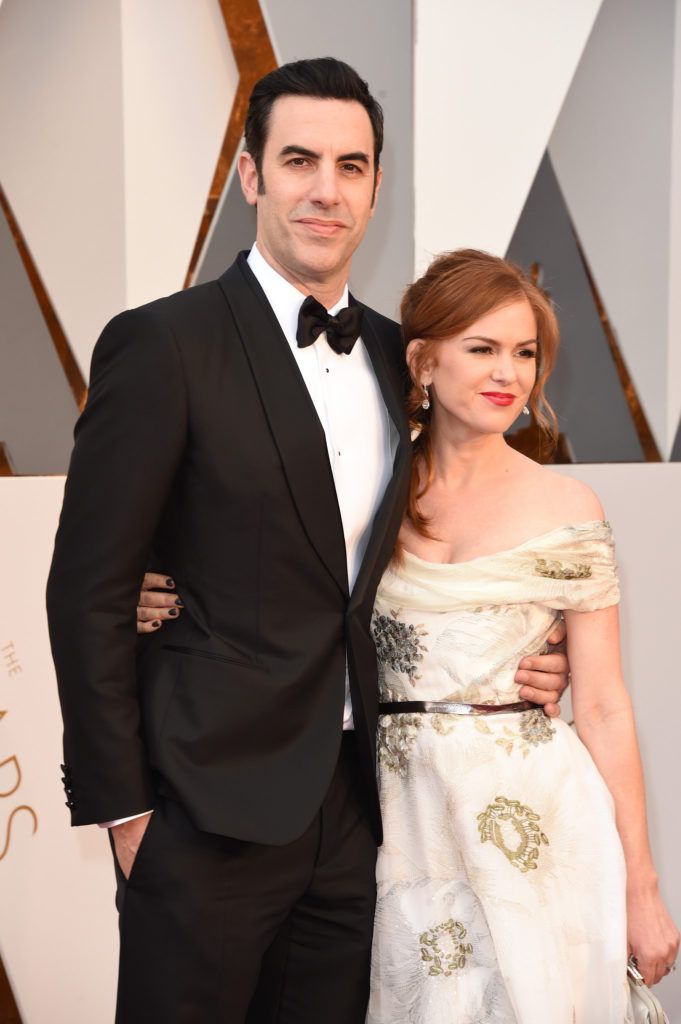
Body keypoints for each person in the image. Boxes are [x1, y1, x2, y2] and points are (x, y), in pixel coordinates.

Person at [46, 60, 568, 1023]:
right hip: (200, 807)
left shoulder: (399, 353)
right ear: (250, 175)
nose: (325, 189)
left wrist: (532, 643)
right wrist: (125, 811)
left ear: (375, 186)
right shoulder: (162, 344)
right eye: (298, 161)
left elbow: (452, 528)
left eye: (351, 165)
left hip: (365, 809)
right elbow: (85, 588)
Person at [363, 249, 679, 1023]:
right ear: (422, 361)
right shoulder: (364, 493)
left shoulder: (568, 505)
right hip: (397, 826)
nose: (508, 372)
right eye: (481, 347)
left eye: (525, 352)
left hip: (536, 828)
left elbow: (602, 705)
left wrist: (640, 885)